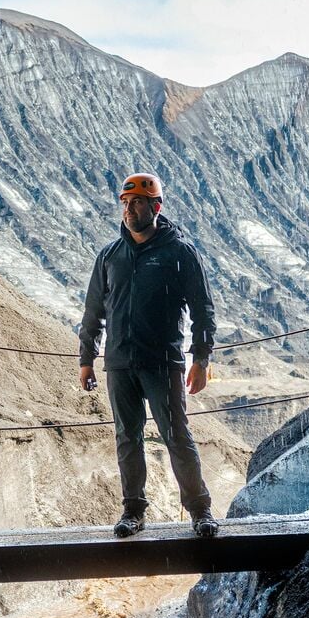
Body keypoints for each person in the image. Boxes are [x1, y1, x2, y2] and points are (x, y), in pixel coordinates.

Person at [77, 171, 220, 539]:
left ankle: (200, 511)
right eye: (125, 203)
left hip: (163, 363)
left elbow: (203, 309)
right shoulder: (110, 256)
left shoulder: (180, 253)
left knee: (177, 437)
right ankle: (133, 512)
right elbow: (93, 311)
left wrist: (201, 359)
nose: (129, 209)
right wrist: (86, 359)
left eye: (137, 202)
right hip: (120, 363)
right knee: (128, 439)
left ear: (156, 207)